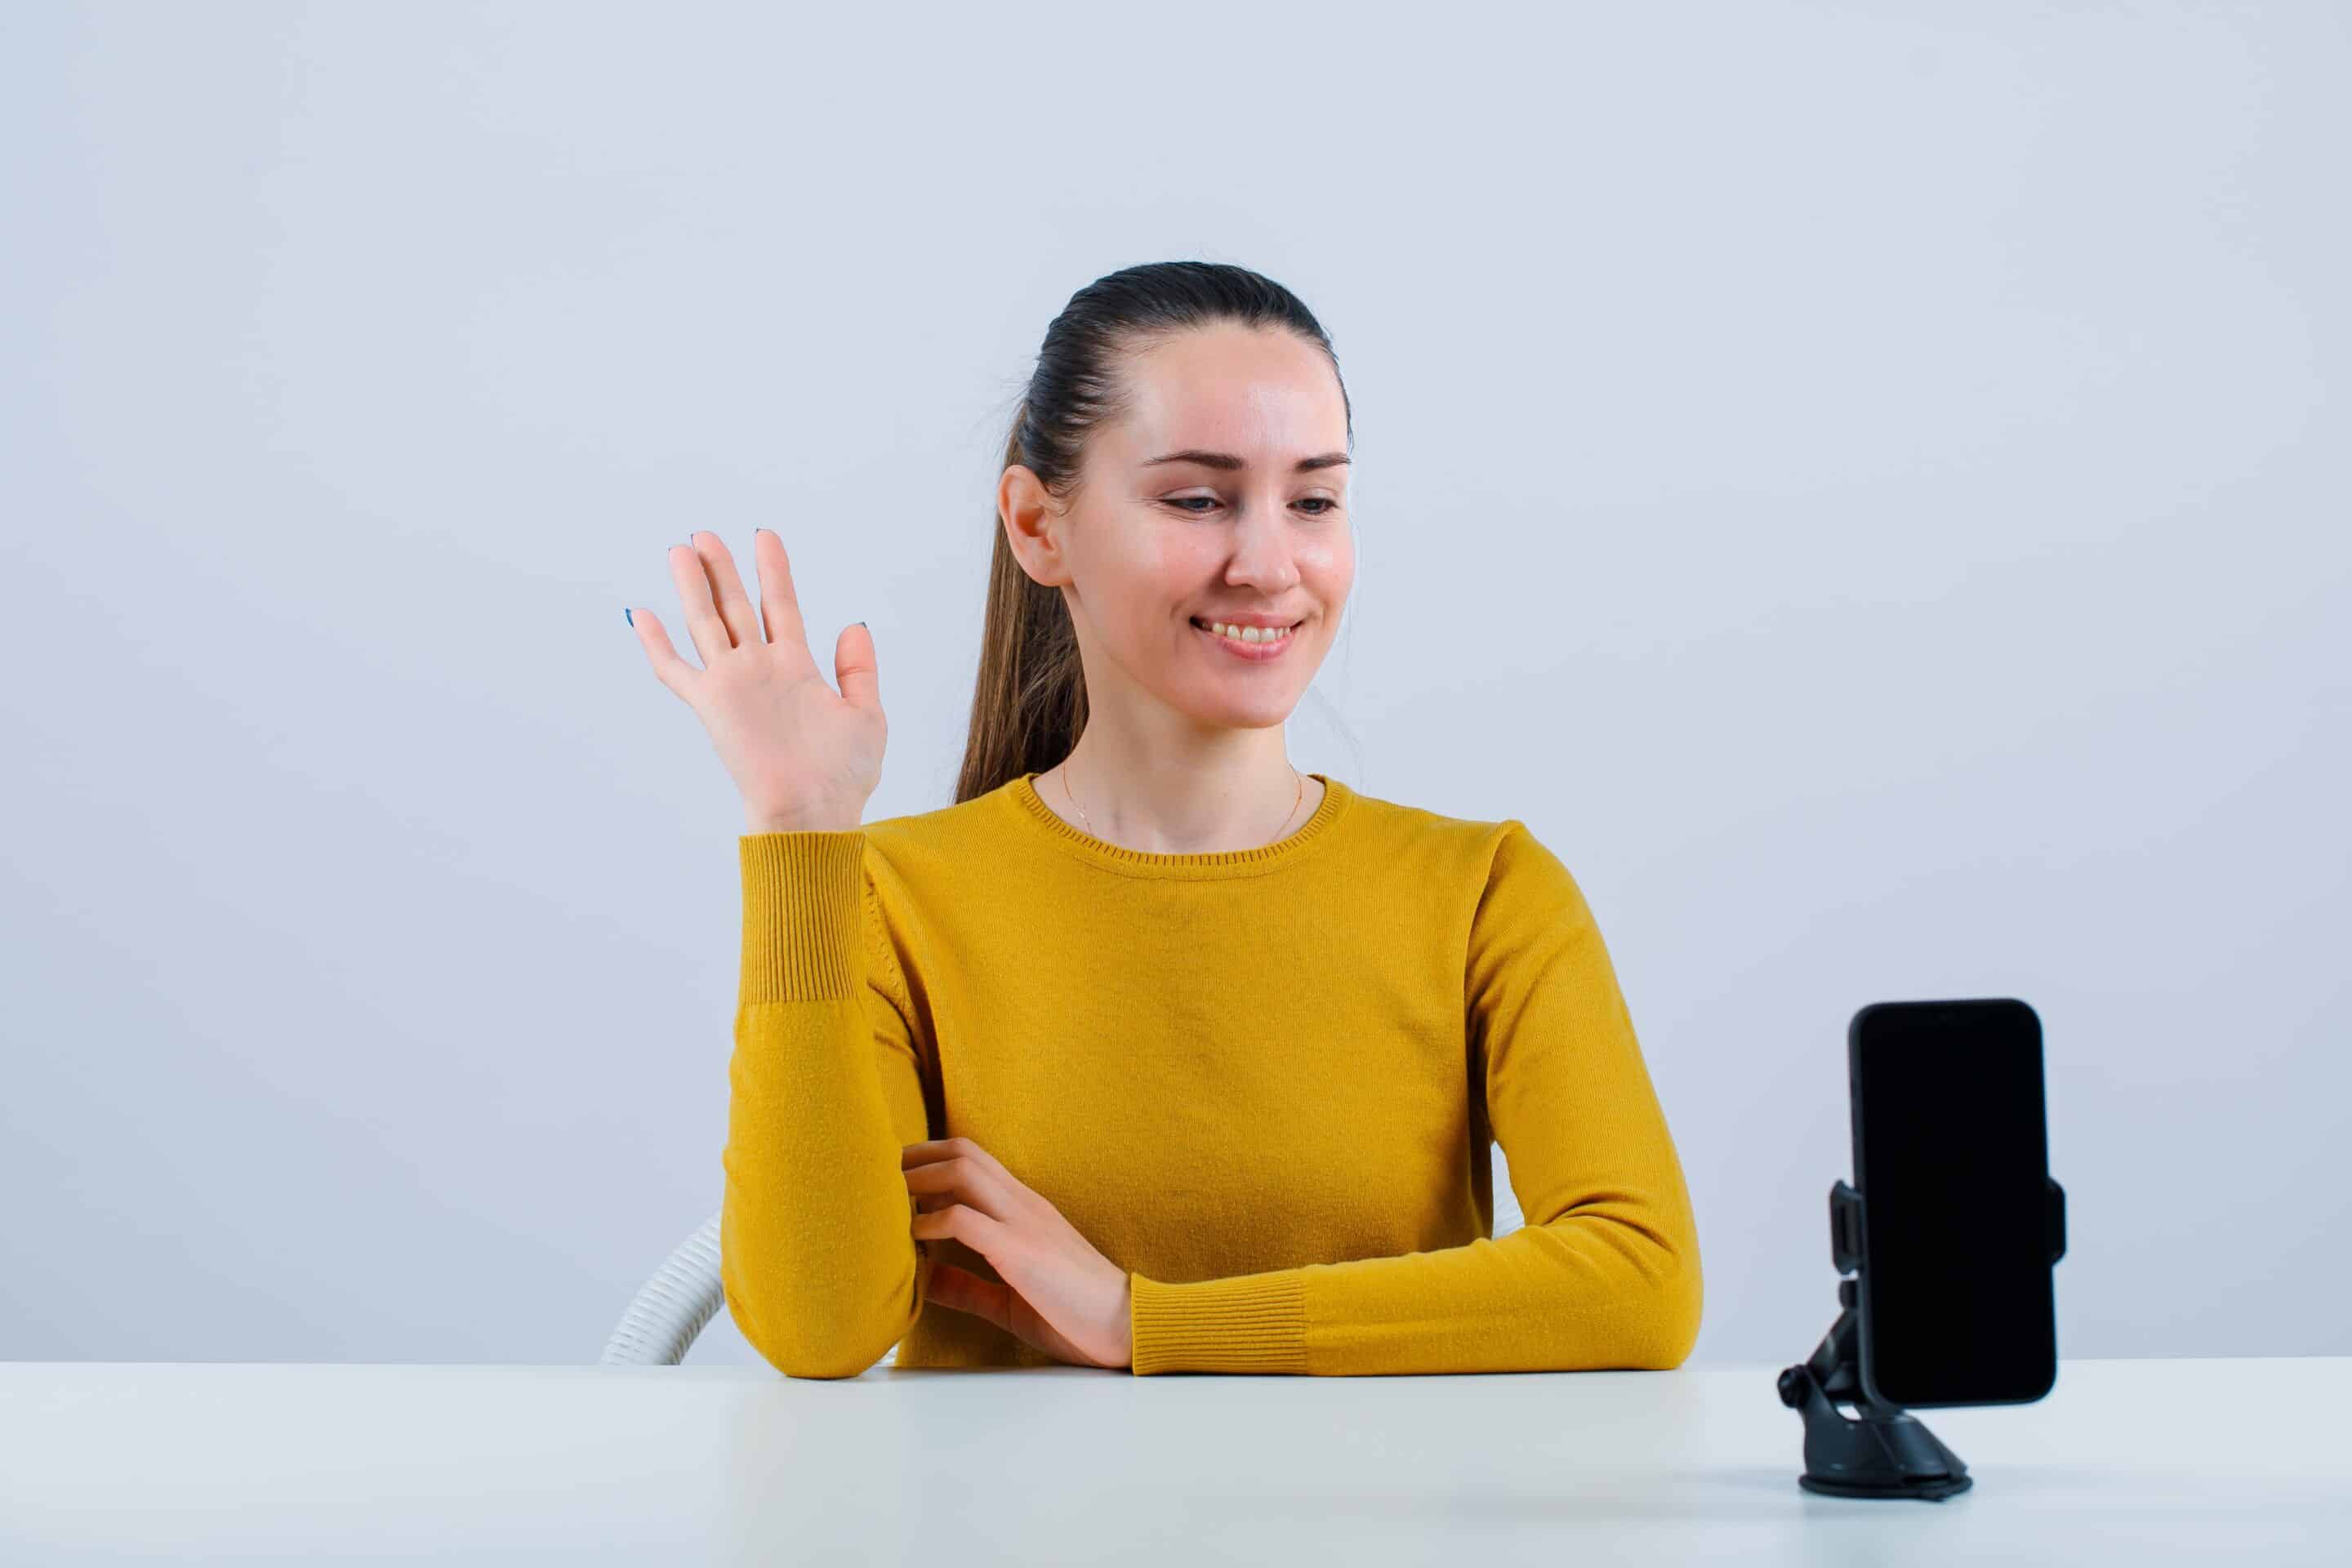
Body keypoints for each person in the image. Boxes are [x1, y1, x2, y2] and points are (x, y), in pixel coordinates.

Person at [625, 261, 1703, 1378]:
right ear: (1039, 527)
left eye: (1315, 500)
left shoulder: (1487, 893)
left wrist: (1149, 1323)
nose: (1270, 564)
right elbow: (818, 1326)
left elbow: (1641, 1283)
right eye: (1197, 498)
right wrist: (801, 831)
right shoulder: (893, 895)